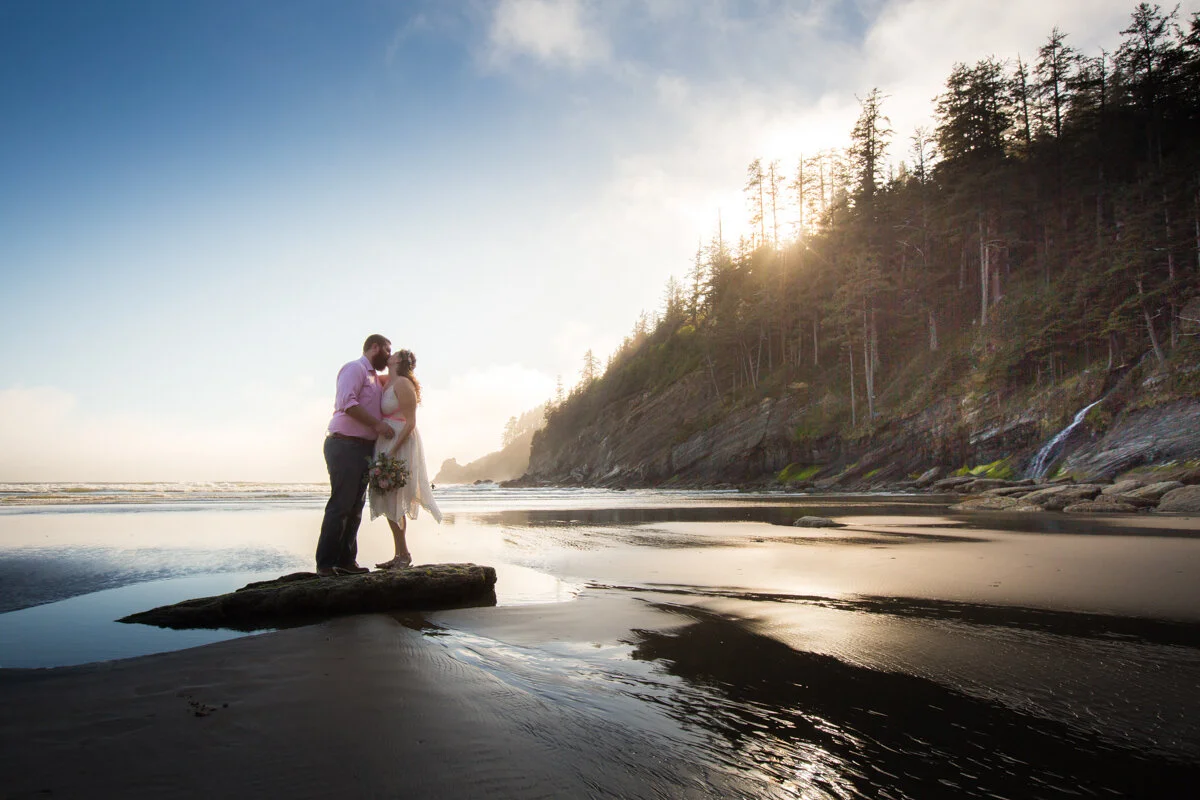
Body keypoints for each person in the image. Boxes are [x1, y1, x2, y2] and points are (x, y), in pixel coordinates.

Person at [314, 334, 395, 577]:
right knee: (340, 505)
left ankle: (347, 561)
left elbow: (398, 378)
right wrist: (378, 425)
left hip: (364, 448)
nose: (389, 356)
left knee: (356, 507)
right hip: (344, 444)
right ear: (375, 347)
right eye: (387, 351)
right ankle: (326, 565)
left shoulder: (375, 378)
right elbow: (347, 402)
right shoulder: (355, 368)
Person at [369, 348, 442, 568]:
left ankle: (403, 555)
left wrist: (392, 451)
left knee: (396, 495)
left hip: (400, 442)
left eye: (393, 354)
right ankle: (400, 554)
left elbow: (411, 423)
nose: (388, 356)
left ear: (399, 361)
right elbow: (369, 378)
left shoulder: (403, 384)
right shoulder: (387, 382)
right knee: (387, 496)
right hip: (385, 442)